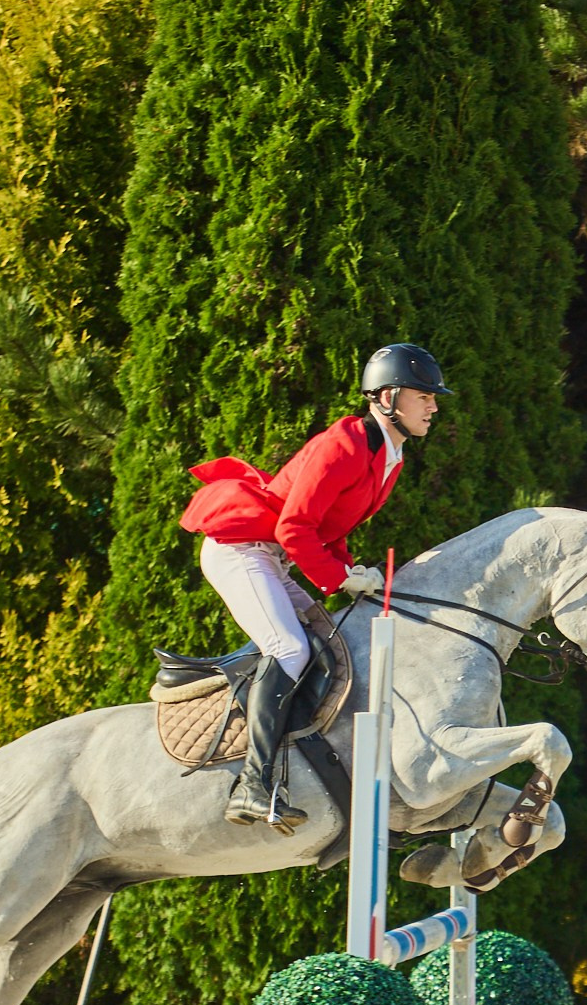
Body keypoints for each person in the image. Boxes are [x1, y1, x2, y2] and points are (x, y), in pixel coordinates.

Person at [179, 342, 450, 833]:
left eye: (433, 397)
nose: (433, 405)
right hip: (241, 549)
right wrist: (339, 578)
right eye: (423, 395)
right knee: (288, 648)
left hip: (272, 555)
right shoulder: (342, 446)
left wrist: (350, 570)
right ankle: (253, 786)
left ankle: (276, 733)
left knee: (328, 640)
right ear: (388, 397)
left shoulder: (389, 458)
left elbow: (330, 527)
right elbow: (293, 529)